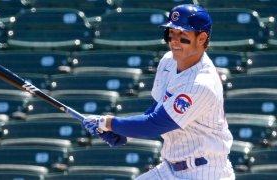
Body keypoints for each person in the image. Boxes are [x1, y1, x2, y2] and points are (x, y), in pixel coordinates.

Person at [83, 4, 235, 180]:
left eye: (183, 35)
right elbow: (157, 108)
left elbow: (154, 124)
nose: (174, 41)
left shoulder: (201, 83)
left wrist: (108, 122)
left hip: (205, 172)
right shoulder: (169, 61)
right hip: (171, 168)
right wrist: (126, 132)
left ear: (201, 38)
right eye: (171, 33)